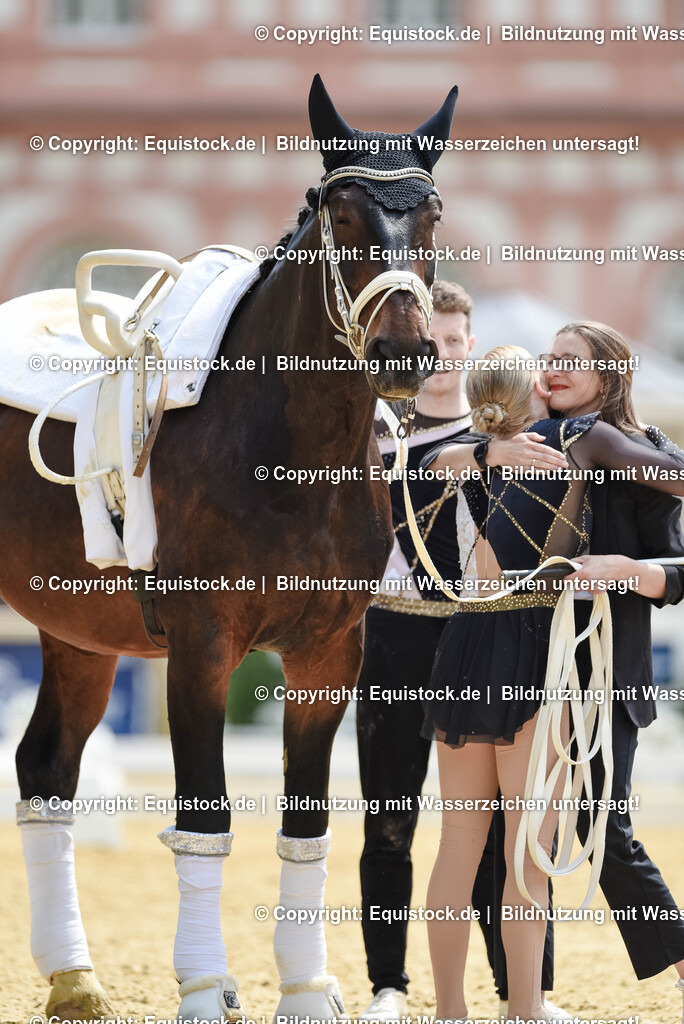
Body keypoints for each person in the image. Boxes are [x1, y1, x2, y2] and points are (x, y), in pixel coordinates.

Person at [420, 345, 684, 1024]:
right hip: (536, 649)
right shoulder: (573, 441)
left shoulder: (472, 453)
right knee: (526, 857)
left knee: (456, 846)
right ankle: (526, 1011)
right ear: (537, 386)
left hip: (465, 641)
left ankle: (450, 1010)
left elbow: (420, 469)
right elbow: (672, 478)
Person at [357, 285, 568, 1024]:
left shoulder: (524, 438)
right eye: (429, 347)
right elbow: (399, 480)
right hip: (400, 632)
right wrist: (482, 449)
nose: (439, 360)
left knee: (494, 837)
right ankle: (391, 984)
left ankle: (520, 992)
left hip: (476, 632)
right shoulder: (380, 427)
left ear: (469, 350)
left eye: (452, 346)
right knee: (391, 816)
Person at [542, 323, 684, 1006]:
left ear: (612, 372)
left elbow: (680, 572)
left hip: (603, 668)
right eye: (550, 359)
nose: (554, 369)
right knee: (503, 831)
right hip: (504, 658)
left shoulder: (653, 453)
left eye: (572, 360)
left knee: (599, 825)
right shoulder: (523, 438)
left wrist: (628, 571)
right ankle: (524, 995)